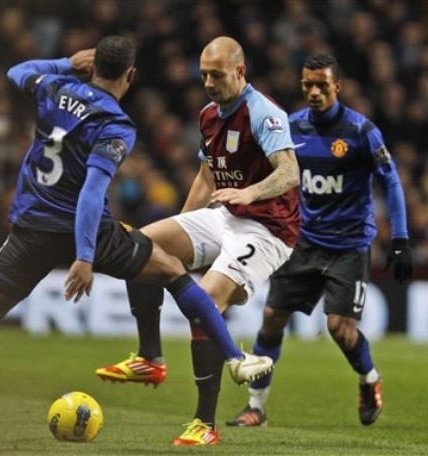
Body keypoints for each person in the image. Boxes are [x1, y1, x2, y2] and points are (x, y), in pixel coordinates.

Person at [0, 35, 273, 452]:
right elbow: (91, 194)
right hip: (87, 231)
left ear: (91, 65)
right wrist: (84, 256)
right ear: (129, 75)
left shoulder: (53, 87)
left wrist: (65, 62)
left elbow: (17, 71)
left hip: (30, 230)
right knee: (170, 269)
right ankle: (233, 357)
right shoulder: (115, 124)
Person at [95, 36, 301, 446]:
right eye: (204, 74)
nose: (208, 82)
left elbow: (290, 171)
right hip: (225, 216)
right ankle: (150, 357)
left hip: (268, 229)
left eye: (217, 75)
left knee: (204, 302)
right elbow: (207, 178)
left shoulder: (263, 112)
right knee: (141, 247)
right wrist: (184, 223)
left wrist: (249, 193)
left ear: (240, 72)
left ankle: (204, 425)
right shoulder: (208, 115)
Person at [226, 53, 412, 428]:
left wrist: (400, 239)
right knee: (271, 318)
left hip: (349, 246)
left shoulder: (360, 131)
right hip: (304, 241)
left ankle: (369, 380)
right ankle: (256, 407)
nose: (314, 92)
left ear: (337, 86)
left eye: (322, 85)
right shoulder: (291, 127)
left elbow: (391, 181)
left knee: (340, 328)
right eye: (307, 85)